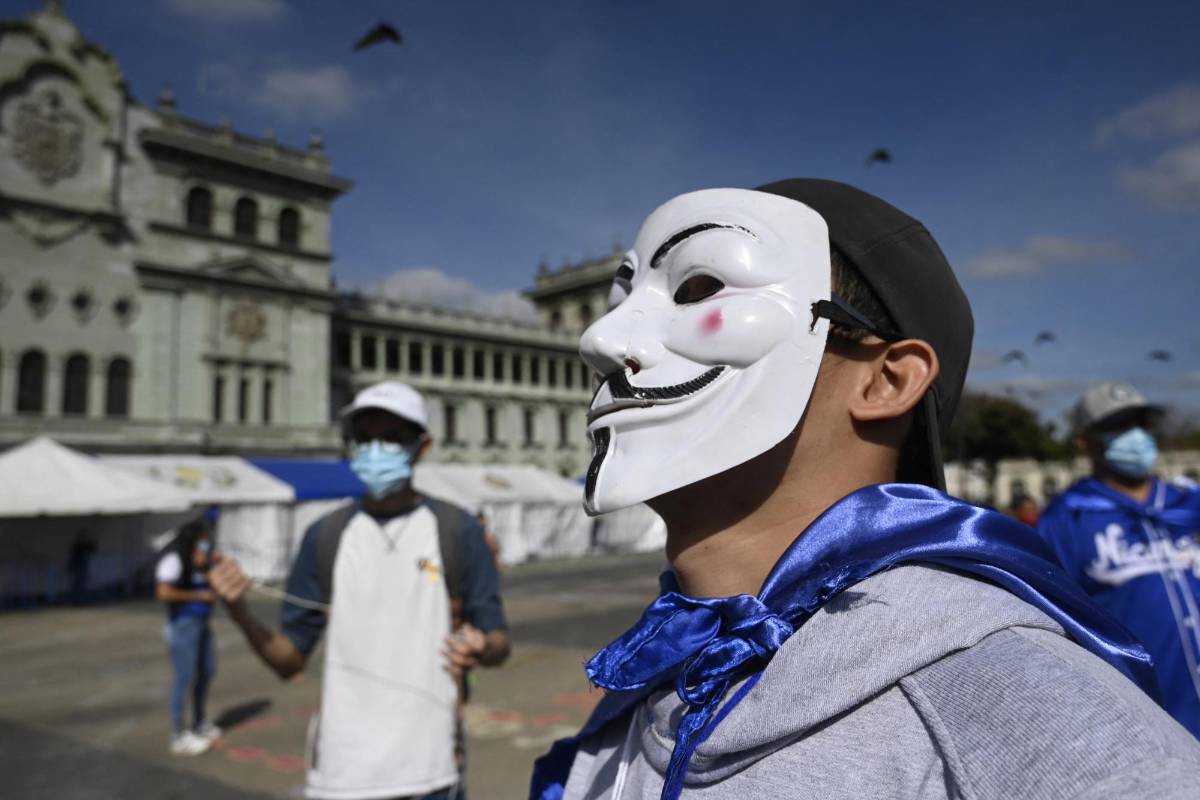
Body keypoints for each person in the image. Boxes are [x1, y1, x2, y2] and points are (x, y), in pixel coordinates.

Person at [530, 180, 1200, 800]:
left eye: (701, 287)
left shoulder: (1032, 713)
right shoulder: (650, 675)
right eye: (620, 302)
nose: (600, 341)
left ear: (887, 381)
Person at [210, 381, 510, 800]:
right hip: (341, 772)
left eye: (392, 437)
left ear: (423, 446)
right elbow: (288, 660)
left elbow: (498, 640)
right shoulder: (325, 535)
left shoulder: (457, 530)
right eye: (364, 437)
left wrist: (480, 645)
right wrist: (239, 610)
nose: (375, 448)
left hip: (432, 770)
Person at [1038, 381, 1200, 737]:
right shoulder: (1068, 517)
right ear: (1085, 441)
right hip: (1151, 719)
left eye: (1140, 424)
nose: (1136, 437)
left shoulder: (1187, 502)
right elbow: (1055, 621)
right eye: (1119, 427)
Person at [155, 518, 220, 756]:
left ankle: (200, 722)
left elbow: (214, 587)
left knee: (208, 670)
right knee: (183, 677)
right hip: (183, 624)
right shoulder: (174, 561)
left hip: (203, 623)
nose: (206, 544)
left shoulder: (202, 564)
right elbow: (163, 592)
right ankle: (178, 734)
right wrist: (197, 597)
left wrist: (209, 567)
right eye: (203, 540)